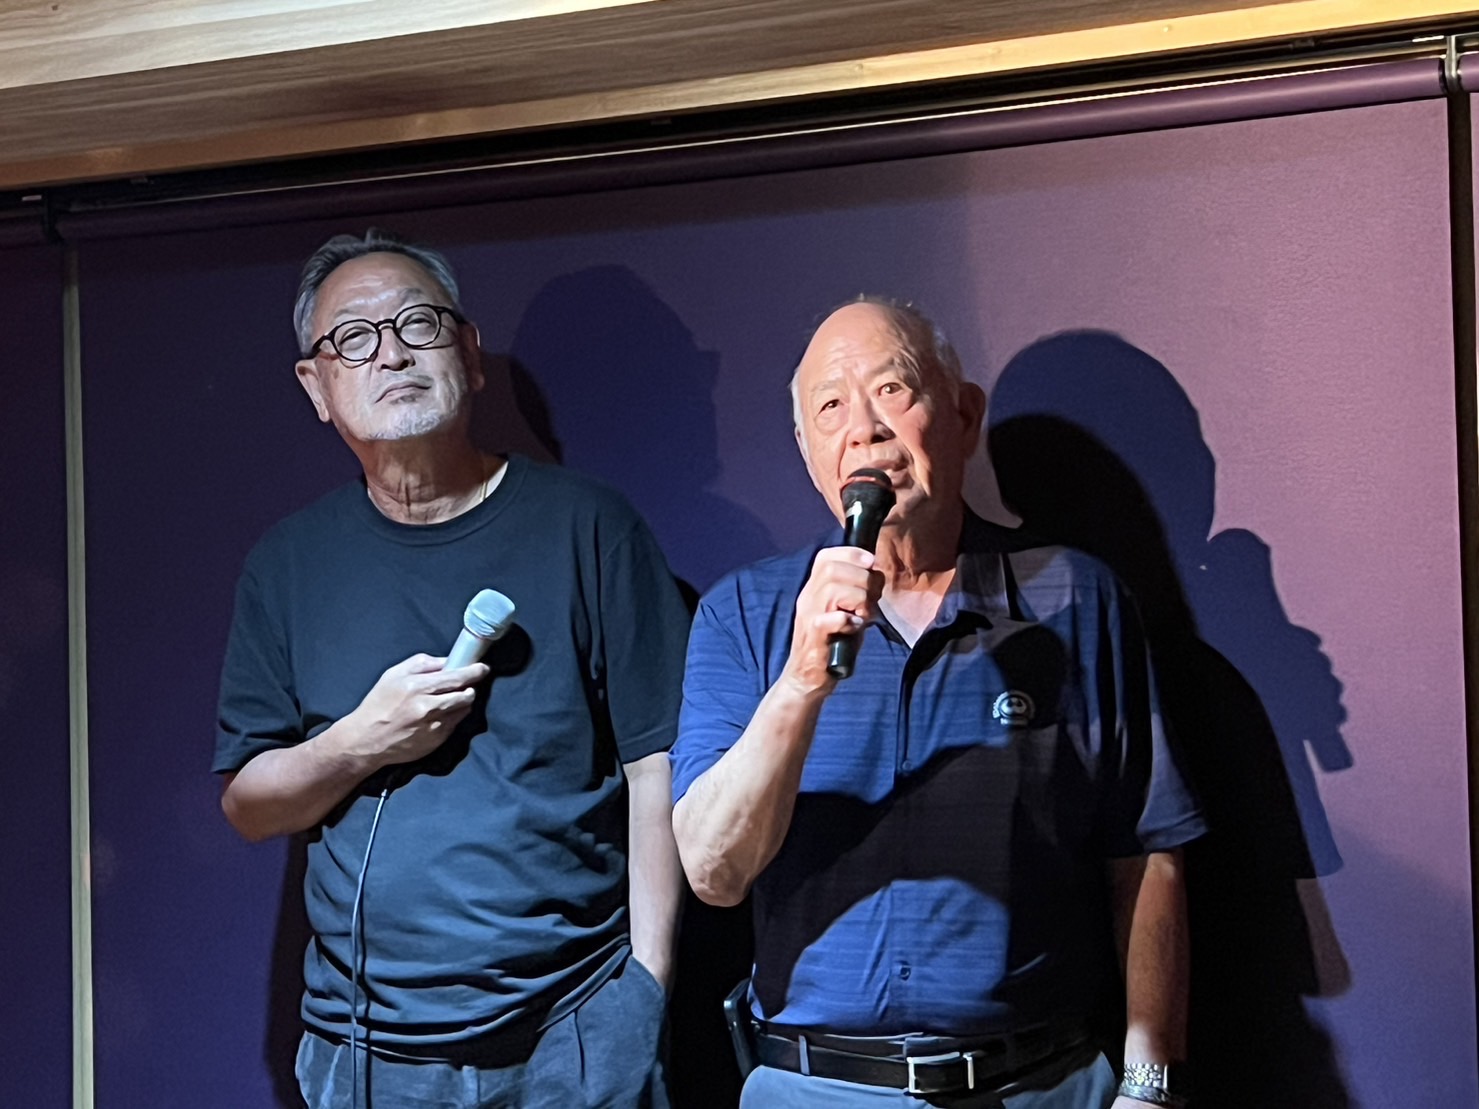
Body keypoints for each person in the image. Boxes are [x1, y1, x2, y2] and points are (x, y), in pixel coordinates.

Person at [669, 300, 1205, 1108]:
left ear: (963, 415)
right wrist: (801, 681)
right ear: (810, 454)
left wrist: (1148, 1082)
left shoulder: (1074, 597)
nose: (865, 429)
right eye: (830, 406)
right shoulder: (743, 614)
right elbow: (715, 873)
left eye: (892, 389)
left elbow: (1146, 851)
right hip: (815, 1088)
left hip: (1038, 1084)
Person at [213, 230, 691, 1109]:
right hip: (369, 1052)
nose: (391, 352)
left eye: (417, 324)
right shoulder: (286, 565)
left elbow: (655, 762)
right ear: (316, 387)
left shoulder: (589, 526)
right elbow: (249, 803)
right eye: (354, 337)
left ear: (469, 356)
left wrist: (644, 989)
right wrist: (359, 741)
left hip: (576, 1030)